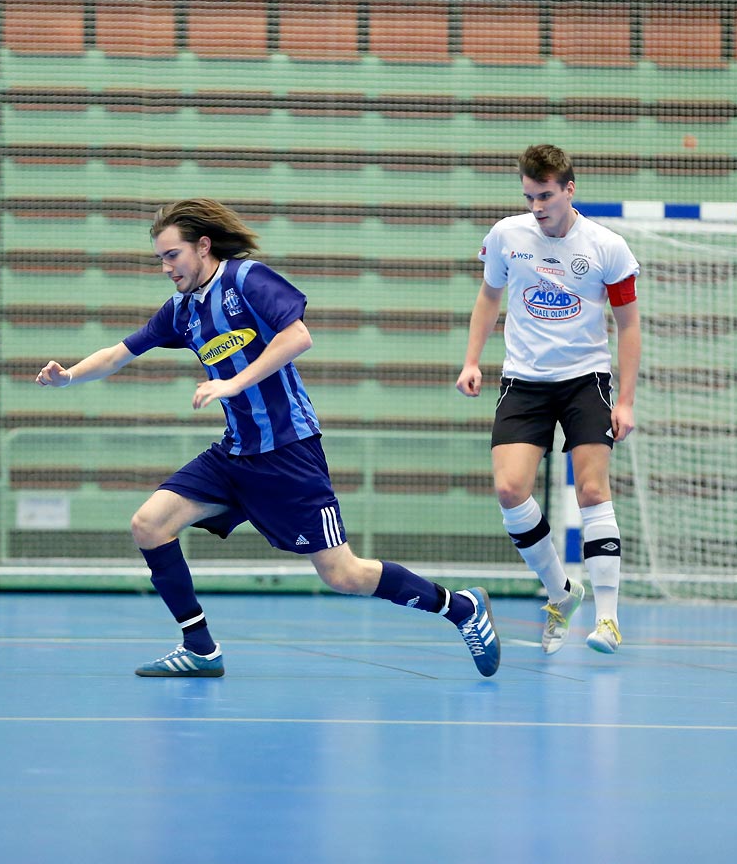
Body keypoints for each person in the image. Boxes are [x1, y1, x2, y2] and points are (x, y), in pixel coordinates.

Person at [36, 198, 501, 677]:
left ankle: (460, 608)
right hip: (234, 454)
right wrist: (68, 376)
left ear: (203, 246)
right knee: (149, 524)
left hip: (288, 453)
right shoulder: (183, 312)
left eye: (172, 255)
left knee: (344, 575)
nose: (166, 267)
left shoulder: (246, 279)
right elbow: (118, 353)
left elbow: (298, 335)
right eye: (159, 259)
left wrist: (233, 384)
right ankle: (199, 648)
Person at [456, 143, 642, 655]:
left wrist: (624, 401)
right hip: (524, 380)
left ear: (568, 190)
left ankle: (607, 620)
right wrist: (472, 361)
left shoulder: (607, 247)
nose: (537, 207)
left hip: (586, 379)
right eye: (529, 197)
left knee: (591, 489)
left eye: (546, 196)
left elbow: (628, 327)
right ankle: (561, 592)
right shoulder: (507, 237)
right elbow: (489, 297)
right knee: (510, 489)